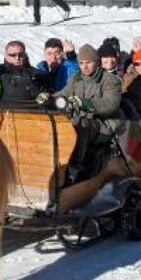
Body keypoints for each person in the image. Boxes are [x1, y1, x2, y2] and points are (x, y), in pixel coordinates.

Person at [55, 43, 123, 179]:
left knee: (80, 123)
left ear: (97, 62)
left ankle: (75, 168)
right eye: (81, 63)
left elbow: (110, 104)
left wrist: (84, 104)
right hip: (81, 120)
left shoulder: (110, 80)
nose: (84, 67)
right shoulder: (76, 78)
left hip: (104, 124)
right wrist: (50, 99)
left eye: (88, 63)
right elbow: (63, 93)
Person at [0, 40, 47, 105]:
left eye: (21, 54)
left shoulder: (38, 75)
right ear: (5, 55)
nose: (17, 58)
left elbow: (48, 99)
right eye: (12, 55)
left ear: (25, 55)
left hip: (28, 113)